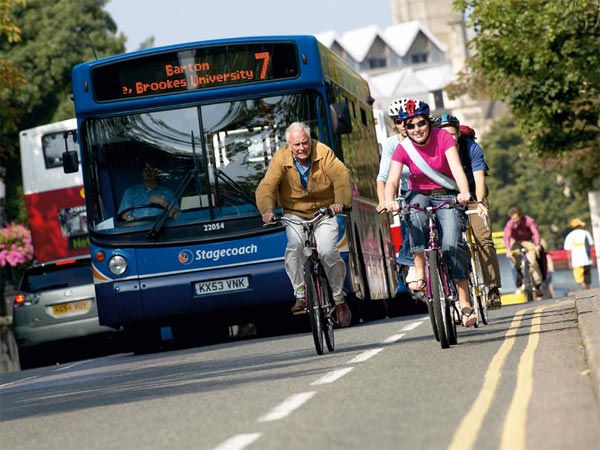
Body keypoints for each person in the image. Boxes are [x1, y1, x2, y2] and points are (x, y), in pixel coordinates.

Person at [383, 99, 476, 328]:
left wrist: (464, 192)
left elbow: (455, 167)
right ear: (404, 127)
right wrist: (388, 200)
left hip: (446, 194)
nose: (417, 129)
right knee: (413, 214)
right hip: (419, 194)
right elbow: (392, 179)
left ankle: (464, 301)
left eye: (421, 123)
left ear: (428, 122)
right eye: (410, 125)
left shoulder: (443, 137)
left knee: (452, 243)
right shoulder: (403, 148)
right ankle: (420, 268)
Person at [255, 122, 353, 327]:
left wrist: (340, 202)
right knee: (294, 247)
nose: (301, 148)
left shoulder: (323, 152)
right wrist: (267, 210)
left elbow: (341, 176)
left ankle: (339, 299)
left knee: (327, 251)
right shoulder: (280, 159)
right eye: (296, 144)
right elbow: (267, 186)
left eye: (305, 143)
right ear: (289, 145)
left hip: (324, 211)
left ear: (310, 141)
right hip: (295, 213)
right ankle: (300, 293)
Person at [433, 114, 503, 309]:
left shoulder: (471, 147)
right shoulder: (434, 150)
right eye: (445, 135)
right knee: (444, 242)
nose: (451, 138)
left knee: (483, 239)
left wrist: (480, 203)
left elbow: (480, 179)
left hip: (473, 196)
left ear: (459, 134)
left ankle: (492, 288)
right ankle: (452, 289)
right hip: (447, 198)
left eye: (454, 134)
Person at [376, 99, 416, 288]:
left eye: (407, 120)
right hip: (408, 192)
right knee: (409, 228)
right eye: (399, 121)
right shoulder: (392, 144)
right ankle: (409, 263)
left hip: (432, 189)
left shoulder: (423, 136)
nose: (403, 125)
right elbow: (384, 176)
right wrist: (384, 200)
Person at [502, 207, 543, 293]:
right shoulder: (510, 224)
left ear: (520, 216)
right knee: (514, 258)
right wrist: (508, 250)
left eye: (517, 219)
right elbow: (506, 237)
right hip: (515, 241)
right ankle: (519, 273)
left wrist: (537, 244)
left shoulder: (528, 220)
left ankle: (537, 284)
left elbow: (535, 232)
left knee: (532, 261)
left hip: (527, 241)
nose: (515, 221)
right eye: (513, 219)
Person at [564, 218, 594, 290]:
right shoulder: (586, 233)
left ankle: (584, 288)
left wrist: (569, 262)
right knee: (587, 278)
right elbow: (591, 247)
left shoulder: (570, 236)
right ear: (580, 225)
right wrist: (592, 258)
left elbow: (568, 250)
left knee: (579, 278)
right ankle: (587, 289)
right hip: (587, 259)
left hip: (576, 261)